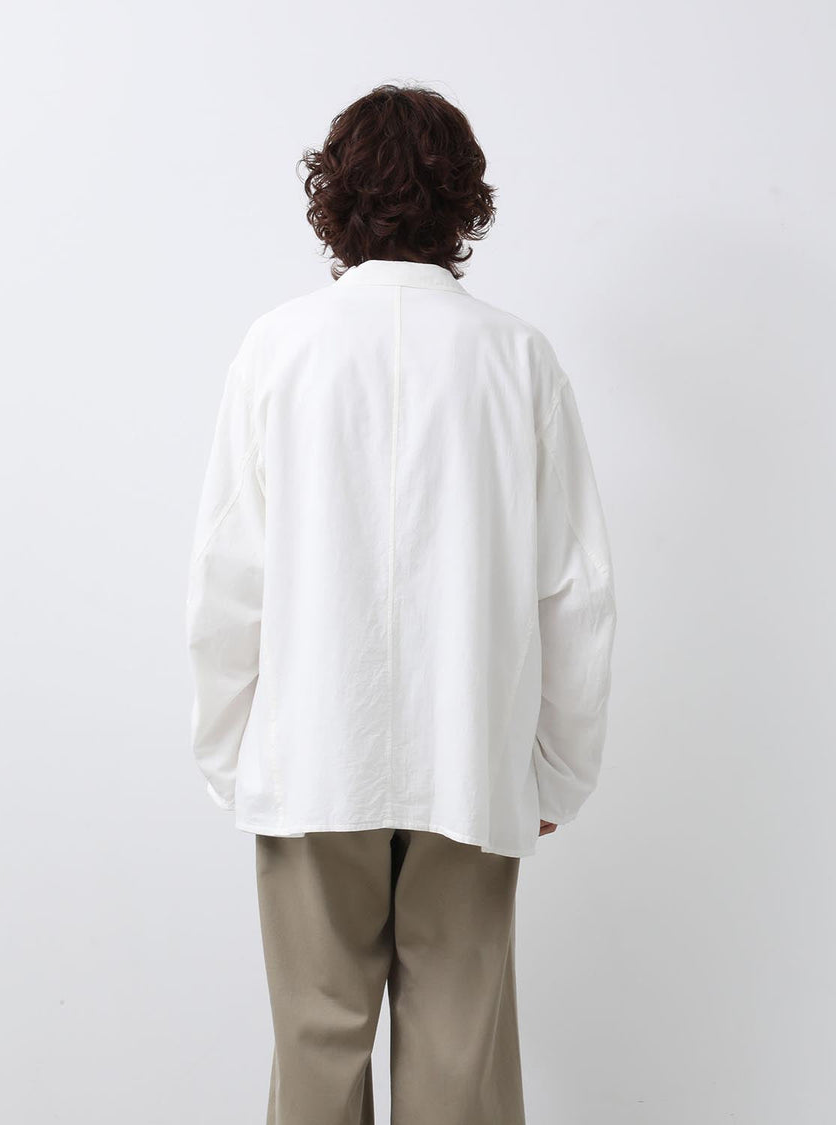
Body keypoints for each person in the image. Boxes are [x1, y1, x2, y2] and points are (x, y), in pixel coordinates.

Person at [186, 82, 617, 1125]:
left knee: (314, 1048)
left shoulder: (278, 347)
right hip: (469, 752)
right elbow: (575, 588)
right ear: (463, 200)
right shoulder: (516, 357)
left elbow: (228, 573)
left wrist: (231, 752)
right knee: (460, 1066)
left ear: (333, 196)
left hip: (311, 751)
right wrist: (559, 768)